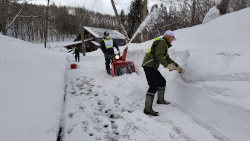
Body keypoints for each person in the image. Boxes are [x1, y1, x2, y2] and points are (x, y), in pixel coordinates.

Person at [142, 30, 183, 116]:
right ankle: (147, 109)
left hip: (152, 65)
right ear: (169, 37)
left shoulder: (164, 44)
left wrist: (176, 65)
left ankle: (160, 100)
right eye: (172, 38)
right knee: (153, 85)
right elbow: (158, 56)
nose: (172, 40)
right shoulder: (162, 43)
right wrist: (168, 66)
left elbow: (167, 58)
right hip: (149, 65)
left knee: (162, 82)